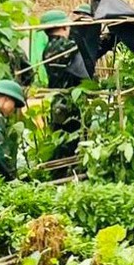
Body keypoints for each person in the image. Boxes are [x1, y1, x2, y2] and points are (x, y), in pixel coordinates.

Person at [36, 10, 93, 158]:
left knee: (61, 141)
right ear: (64, 27)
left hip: (57, 102)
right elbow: (85, 50)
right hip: (69, 103)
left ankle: (59, 175)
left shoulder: (49, 48)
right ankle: (65, 175)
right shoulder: (65, 46)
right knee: (71, 144)